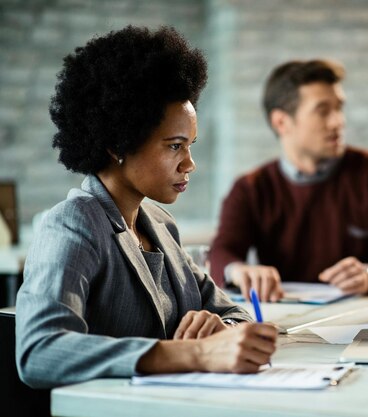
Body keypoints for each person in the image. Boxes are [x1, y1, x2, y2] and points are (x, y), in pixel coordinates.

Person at [15, 26, 277, 389]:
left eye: (191, 146)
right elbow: (39, 351)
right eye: (174, 146)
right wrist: (197, 354)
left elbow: (234, 312)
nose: (190, 163)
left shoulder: (158, 224)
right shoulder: (73, 224)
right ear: (117, 144)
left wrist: (224, 330)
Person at [208, 59, 368, 302]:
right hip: (287, 323)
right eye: (323, 111)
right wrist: (238, 270)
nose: (338, 121)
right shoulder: (250, 189)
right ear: (282, 122)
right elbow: (221, 252)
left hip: (365, 321)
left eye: (339, 108)